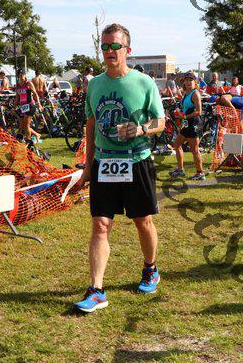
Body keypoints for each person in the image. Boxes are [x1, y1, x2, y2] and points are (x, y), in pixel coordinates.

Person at [74, 23, 165, 313]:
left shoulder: (144, 83)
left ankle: (150, 268)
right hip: (105, 162)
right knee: (100, 225)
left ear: (127, 49)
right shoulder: (94, 84)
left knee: (143, 221)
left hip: (136, 161)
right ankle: (96, 290)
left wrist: (140, 129)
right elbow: (90, 125)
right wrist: (88, 165)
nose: (110, 51)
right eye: (105, 46)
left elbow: (160, 121)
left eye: (115, 46)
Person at [169, 71, 204, 180]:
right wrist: (180, 116)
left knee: (194, 149)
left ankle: (200, 173)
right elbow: (185, 110)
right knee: (176, 144)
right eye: (186, 80)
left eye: (190, 80)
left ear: (195, 82)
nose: (188, 82)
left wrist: (184, 117)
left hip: (194, 124)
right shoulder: (186, 94)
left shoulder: (195, 93)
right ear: (184, 82)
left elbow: (199, 111)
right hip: (186, 123)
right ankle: (180, 170)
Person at [14, 70, 42, 142]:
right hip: (23, 107)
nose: (21, 76)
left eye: (23, 74)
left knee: (26, 126)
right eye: (20, 75)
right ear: (18, 76)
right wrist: (14, 107)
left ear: (25, 75)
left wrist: (38, 103)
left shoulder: (28, 83)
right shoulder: (18, 85)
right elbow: (17, 97)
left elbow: (35, 93)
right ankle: (36, 135)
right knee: (23, 125)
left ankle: (28, 141)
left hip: (30, 105)